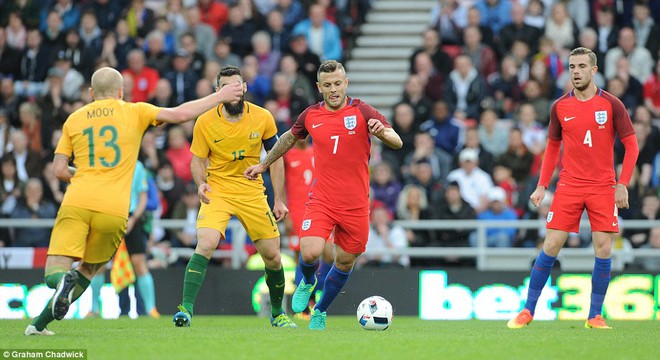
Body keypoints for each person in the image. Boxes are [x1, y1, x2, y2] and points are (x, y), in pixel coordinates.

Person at [24, 66, 243, 336]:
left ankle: (60, 284)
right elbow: (181, 113)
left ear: (92, 93)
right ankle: (38, 325)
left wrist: (83, 175)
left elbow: (58, 170)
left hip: (77, 200)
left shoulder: (74, 119)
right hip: (115, 209)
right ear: (121, 92)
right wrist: (220, 96)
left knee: (55, 270)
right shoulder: (134, 110)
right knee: (90, 268)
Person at [244, 60, 402, 330]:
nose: (333, 89)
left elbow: (397, 141)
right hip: (322, 199)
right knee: (309, 253)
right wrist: (264, 164)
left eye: (338, 83)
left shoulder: (362, 110)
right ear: (319, 87)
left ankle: (320, 310)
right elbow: (287, 139)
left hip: (355, 205)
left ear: (346, 83)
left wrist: (382, 133)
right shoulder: (310, 115)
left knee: (344, 260)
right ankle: (307, 281)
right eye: (327, 85)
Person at [507, 47, 639, 330]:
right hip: (569, 184)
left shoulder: (612, 105)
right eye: (571, 67)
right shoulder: (559, 107)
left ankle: (594, 316)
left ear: (594, 70)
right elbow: (553, 147)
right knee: (551, 244)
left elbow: (632, 145)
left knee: (603, 249)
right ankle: (527, 311)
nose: (576, 72)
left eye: (581, 66)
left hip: (603, 186)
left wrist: (622, 184)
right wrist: (543, 184)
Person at [172, 65, 296, 328]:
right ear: (218, 91)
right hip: (218, 189)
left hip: (251, 191)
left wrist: (278, 199)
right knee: (205, 243)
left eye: (237, 86)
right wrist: (200, 184)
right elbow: (197, 161)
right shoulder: (205, 121)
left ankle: (277, 313)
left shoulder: (263, 117)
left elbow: (276, 159)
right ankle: (186, 309)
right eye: (227, 87)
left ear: (245, 88)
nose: (234, 91)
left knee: (272, 255)